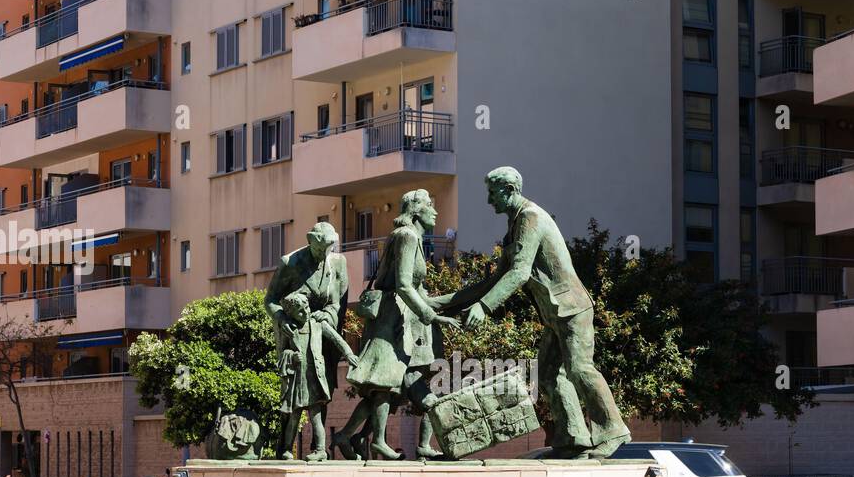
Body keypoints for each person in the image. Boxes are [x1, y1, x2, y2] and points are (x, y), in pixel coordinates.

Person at [441, 166, 630, 458]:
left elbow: (518, 273)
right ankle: (574, 438)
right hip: (554, 314)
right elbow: (493, 280)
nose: (489, 200)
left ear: (510, 190)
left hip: (571, 308)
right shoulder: (515, 225)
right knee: (549, 375)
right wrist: (438, 303)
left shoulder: (531, 217)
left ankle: (613, 430)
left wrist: (484, 306)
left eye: (492, 193)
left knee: (580, 370)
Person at [335, 189, 458, 460]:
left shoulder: (409, 237)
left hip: (403, 318)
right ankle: (377, 440)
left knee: (388, 389)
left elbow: (417, 290)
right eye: (430, 206)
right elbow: (403, 285)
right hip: (393, 320)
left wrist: (454, 302)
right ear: (416, 211)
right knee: (386, 385)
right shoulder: (407, 236)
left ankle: (350, 436)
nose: (435, 212)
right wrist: (431, 315)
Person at [265, 221, 351, 460]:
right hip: (294, 336)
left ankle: (318, 448)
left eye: (329, 249)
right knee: (290, 399)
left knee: (320, 396)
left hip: (322, 334)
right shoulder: (290, 263)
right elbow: (271, 300)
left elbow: (340, 303)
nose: (324, 254)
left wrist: (330, 315)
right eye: (320, 249)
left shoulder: (338, 263)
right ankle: (284, 447)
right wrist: (283, 320)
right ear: (310, 241)